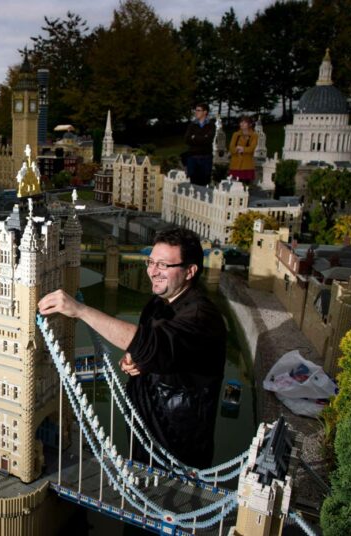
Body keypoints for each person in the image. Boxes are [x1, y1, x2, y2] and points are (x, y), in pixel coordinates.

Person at [38, 228, 226, 469]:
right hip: (145, 438)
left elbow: (155, 344)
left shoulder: (202, 318)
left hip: (177, 454)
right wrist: (136, 358)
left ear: (190, 271)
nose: (152, 271)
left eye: (164, 265)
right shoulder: (157, 304)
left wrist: (81, 311)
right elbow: (155, 349)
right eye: (151, 262)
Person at [183, 103, 215, 186]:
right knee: (193, 183)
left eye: (198, 110)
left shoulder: (211, 125)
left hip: (206, 158)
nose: (196, 112)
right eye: (195, 110)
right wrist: (202, 137)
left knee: (204, 183)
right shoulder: (192, 125)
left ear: (205, 112)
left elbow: (208, 140)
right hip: (192, 158)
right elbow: (186, 139)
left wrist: (194, 137)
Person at [228, 115, 258, 184]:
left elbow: (251, 148)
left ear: (250, 124)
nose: (242, 124)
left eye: (244, 122)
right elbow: (231, 147)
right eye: (241, 122)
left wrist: (243, 149)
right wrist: (237, 149)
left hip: (247, 166)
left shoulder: (254, 135)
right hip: (235, 165)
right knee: (234, 186)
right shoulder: (235, 134)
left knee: (245, 188)